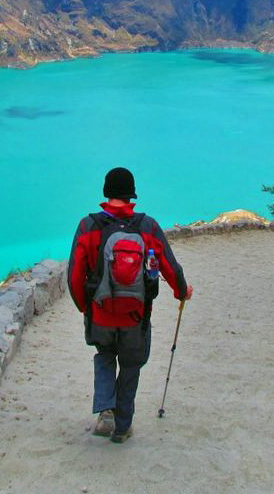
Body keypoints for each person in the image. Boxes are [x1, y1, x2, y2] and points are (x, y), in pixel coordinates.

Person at [67, 167, 192, 443]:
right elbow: (171, 266)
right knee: (131, 366)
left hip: (100, 314)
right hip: (136, 316)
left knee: (105, 356)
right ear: (131, 194)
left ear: (106, 193)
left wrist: (84, 307)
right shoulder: (147, 227)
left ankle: (105, 415)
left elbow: (74, 274)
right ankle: (122, 427)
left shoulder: (88, 227)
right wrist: (182, 292)